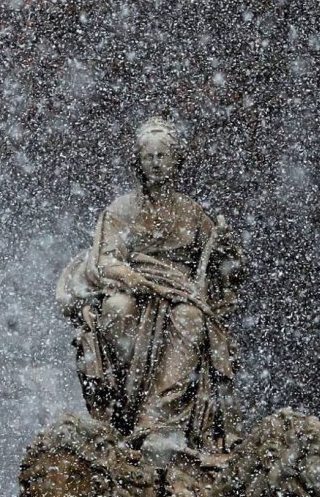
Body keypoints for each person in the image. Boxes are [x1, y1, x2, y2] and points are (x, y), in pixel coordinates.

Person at [56, 116, 240, 459]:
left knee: (189, 319)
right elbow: (106, 259)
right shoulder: (121, 210)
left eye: (163, 156)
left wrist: (227, 253)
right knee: (116, 310)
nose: (156, 163)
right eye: (149, 156)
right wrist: (134, 280)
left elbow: (220, 272)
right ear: (139, 162)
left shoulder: (194, 214)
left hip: (179, 293)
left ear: (175, 160)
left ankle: (160, 422)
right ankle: (125, 414)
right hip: (135, 289)